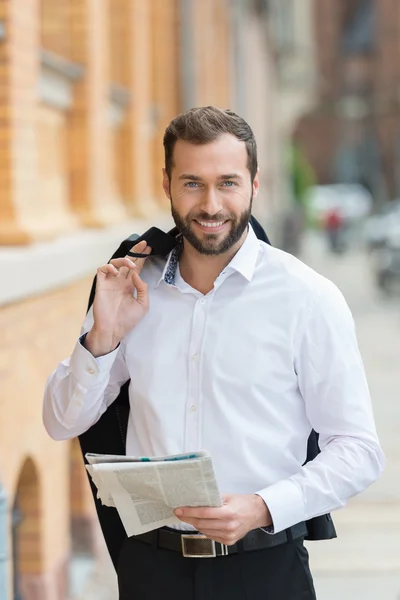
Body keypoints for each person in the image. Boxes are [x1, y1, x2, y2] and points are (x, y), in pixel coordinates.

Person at [43, 106, 385, 600]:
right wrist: (103, 336)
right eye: (192, 183)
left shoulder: (307, 297)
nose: (210, 204)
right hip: (149, 570)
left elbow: (358, 450)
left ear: (254, 183)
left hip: (265, 569)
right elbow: (60, 422)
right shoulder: (131, 287)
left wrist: (262, 506)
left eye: (227, 182)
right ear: (166, 184)